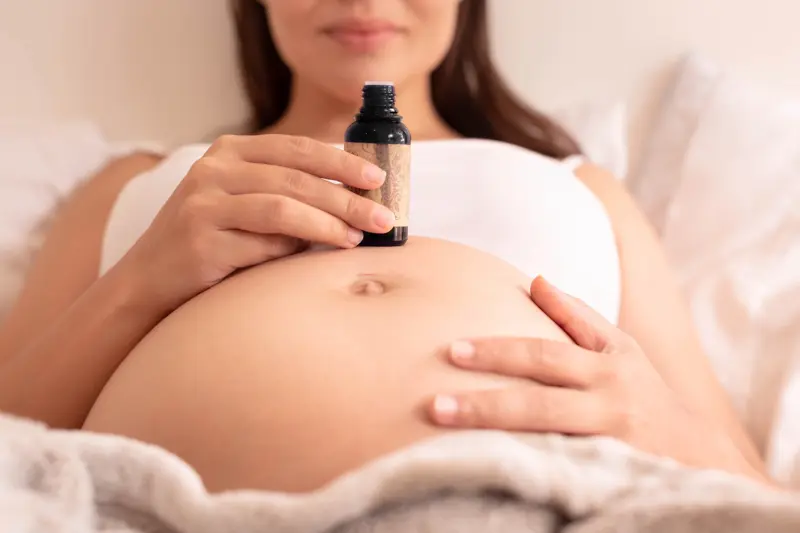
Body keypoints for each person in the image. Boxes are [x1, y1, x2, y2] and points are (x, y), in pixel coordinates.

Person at [0, 0, 774, 493]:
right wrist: (141, 280)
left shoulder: (581, 187)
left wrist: (662, 425)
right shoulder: (142, 184)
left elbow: (757, 493)